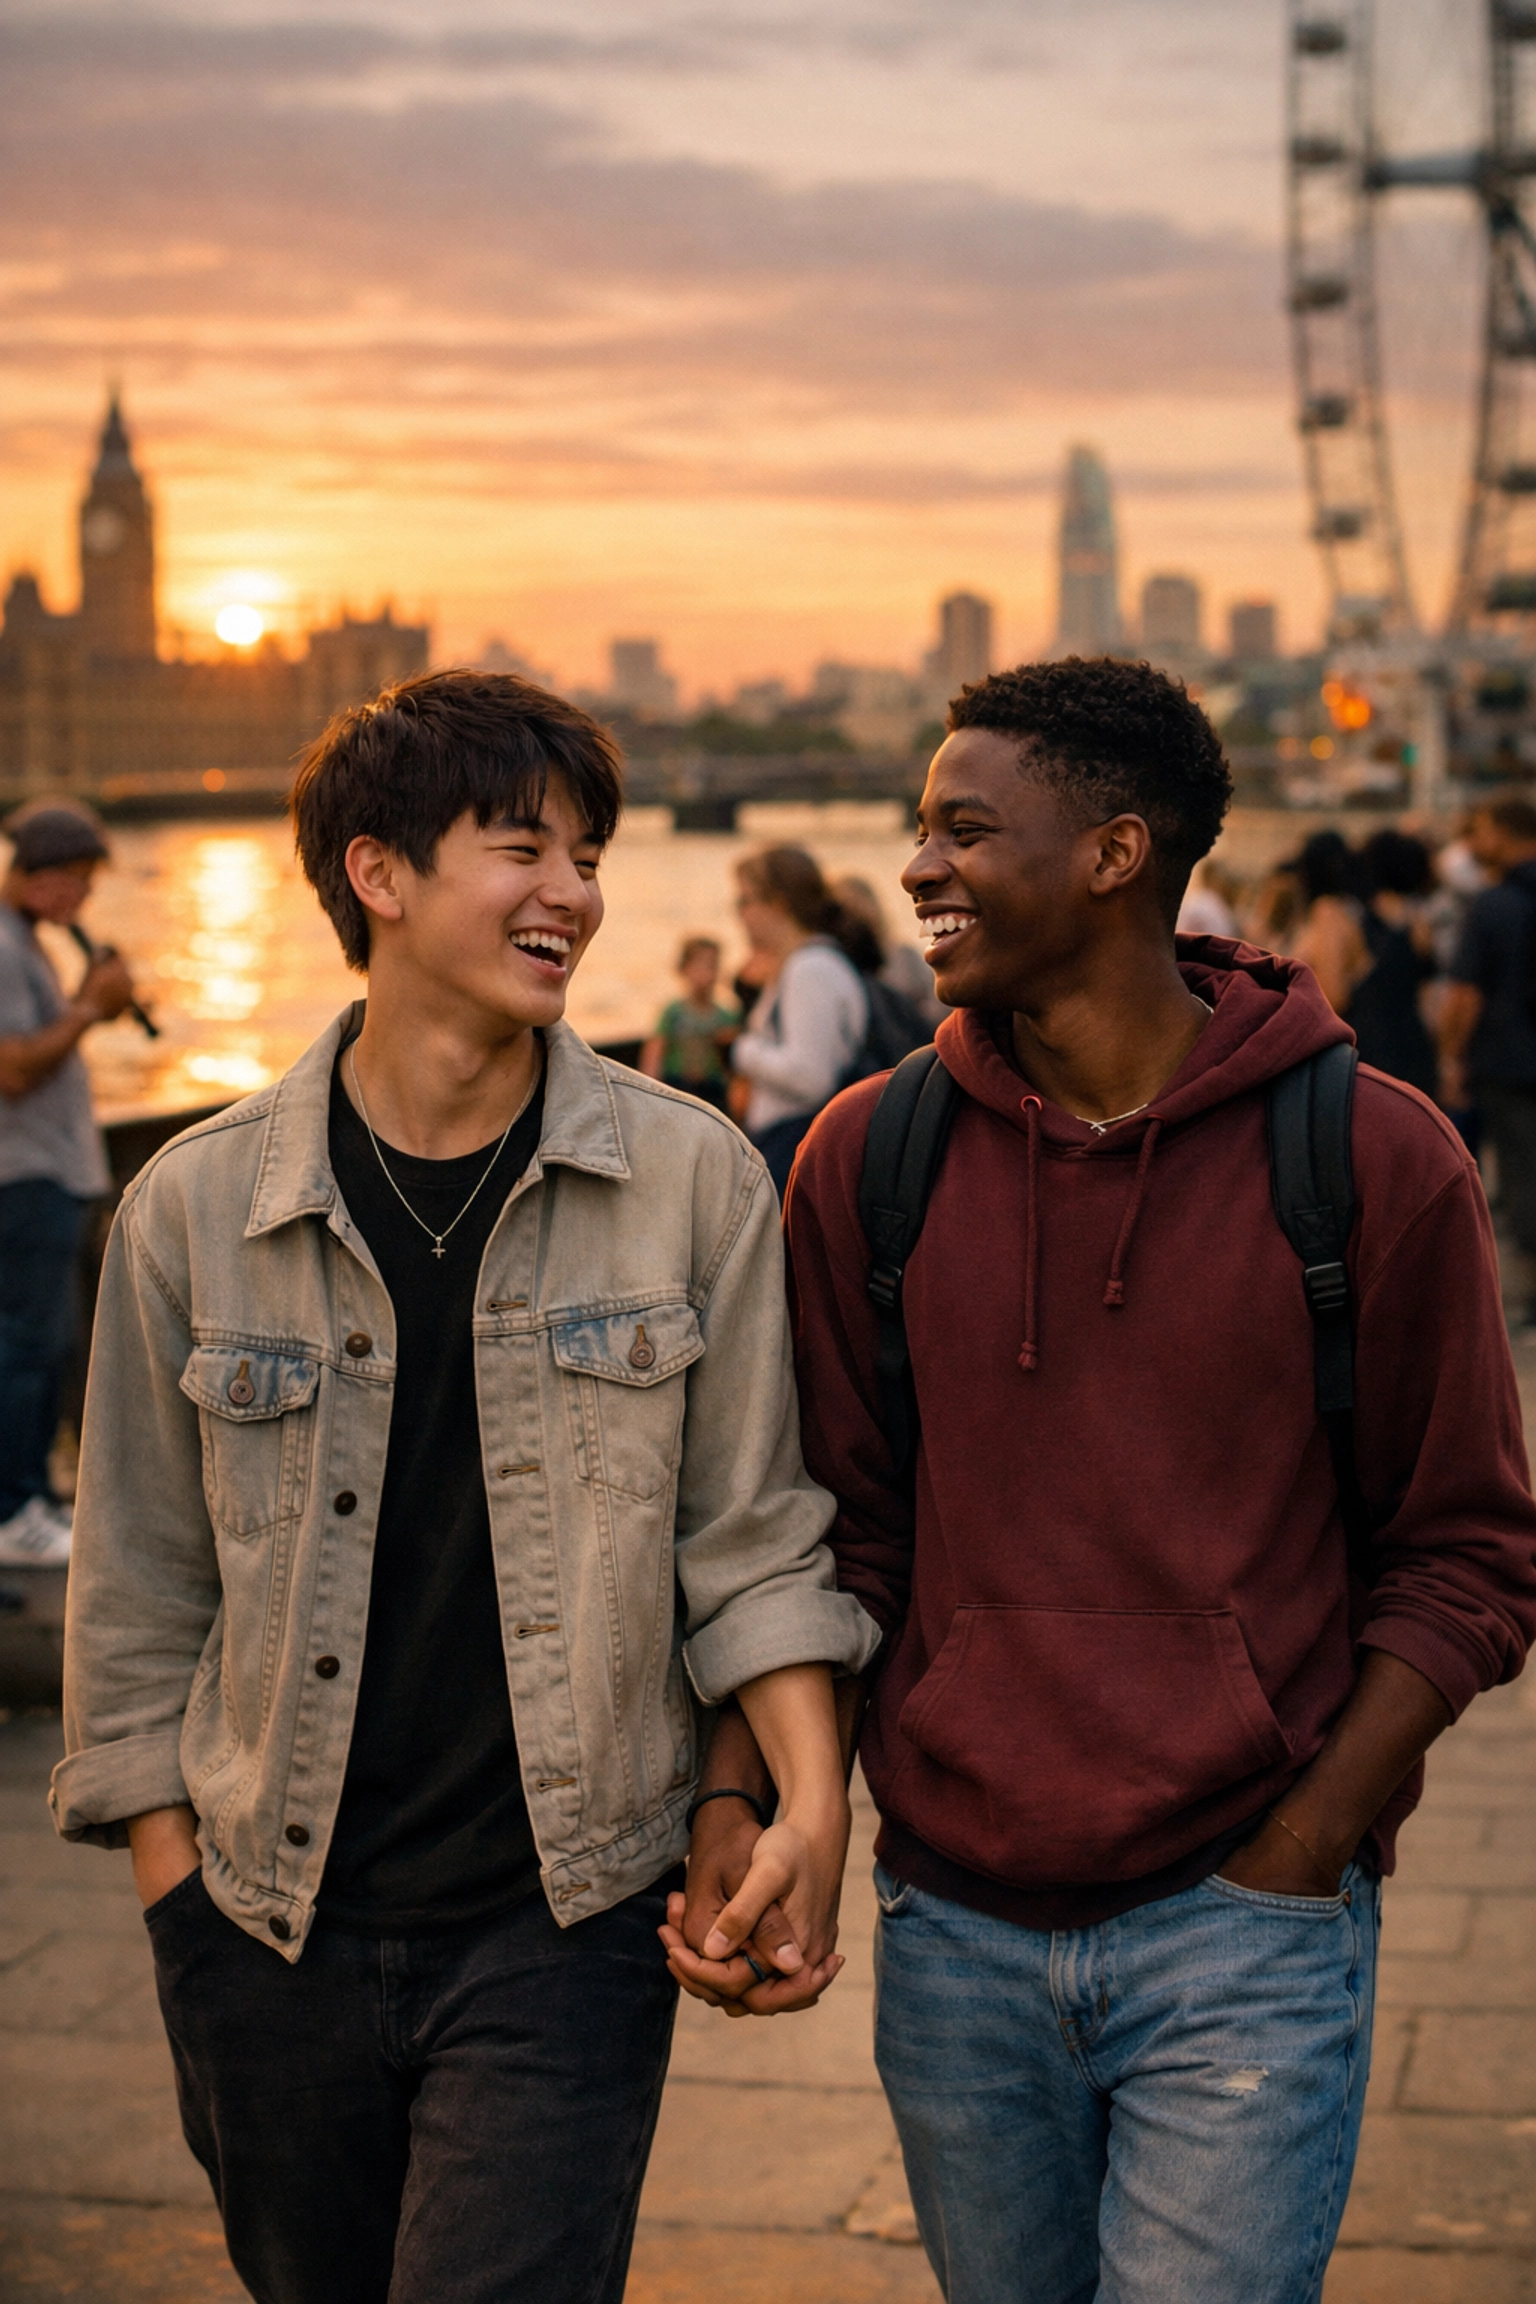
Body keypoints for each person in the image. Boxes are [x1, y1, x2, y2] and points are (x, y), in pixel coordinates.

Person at [672, 658, 1536, 2304]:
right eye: (919, 828)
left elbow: (1471, 1553)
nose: (917, 865)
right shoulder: (872, 1155)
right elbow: (828, 1532)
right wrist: (751, 1800)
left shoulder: (1373, 1153)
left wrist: (1304, 1840)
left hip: (1244, 1931)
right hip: (957, 1926)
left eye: (963, 828)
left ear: (1116, 851)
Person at [51, 670, 877, 2304]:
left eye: (588, 853)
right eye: (524, 848)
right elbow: (137, 1589)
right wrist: (179, 1903)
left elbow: (755, 1543)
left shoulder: (690, 1177)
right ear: (378, 873)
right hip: (262, 1923)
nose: (573, 890)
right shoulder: (193, 1208)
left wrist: (808, 1800)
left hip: (562, 1924)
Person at [0, 801, 135, 1568]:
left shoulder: (25, 942)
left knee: (36, 1345)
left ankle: (31, 1502)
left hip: (46, 1174)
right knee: (28, 1346)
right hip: (26, 1177)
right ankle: (16, 1509)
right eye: (78, 883)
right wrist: (90, 1006)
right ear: (44, 875)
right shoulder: (3, 946)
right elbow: (15, 1066)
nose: (82, 901)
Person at [1441, 791, 1536, 1324]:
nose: (1474, 843)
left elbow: (1464, 996)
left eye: (1479, 829)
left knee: (1523, 1171)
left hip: (1510, 1059)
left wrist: (1453, 1058)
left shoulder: (1493, 903)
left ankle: (1532, 1291)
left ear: (1502, 831)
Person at [731, 845, 868, 1197]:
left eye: (744, 901)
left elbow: (811, 1078)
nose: (739, 915)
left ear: (777, 904)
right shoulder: (803, 963)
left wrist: (743, 1051)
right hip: (788, 1146)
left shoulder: (811, 969)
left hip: (794, 1148)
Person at [1347, 828, 1438, 1099]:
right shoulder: (1419, 922)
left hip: (1365, 1045)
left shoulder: (1355, 917)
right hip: (1413, 1043)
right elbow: (1428, 992)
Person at [831, 873, 947, 1032]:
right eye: (849, 909)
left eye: (860, 905)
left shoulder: (903, 955)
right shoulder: (841, 968)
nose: (857, 917)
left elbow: (938, 1001)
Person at [638, 933, 737, 1109]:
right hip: (677, 1088)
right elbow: (655, 1053)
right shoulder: (673, 1013)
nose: (706, 973)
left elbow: (733, 1067)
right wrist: (649, 1094)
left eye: (712, 966)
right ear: (684, 968)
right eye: (699, 966)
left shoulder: (726, 1017)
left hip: (712, 1091)